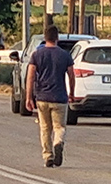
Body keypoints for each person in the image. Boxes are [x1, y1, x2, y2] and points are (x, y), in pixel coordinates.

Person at [24, 25, 75, 168]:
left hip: (42, 97)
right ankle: (58, 142)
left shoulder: (37, 55)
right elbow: (71, 75)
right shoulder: (65, 55)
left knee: (45, 128)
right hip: (60, 97)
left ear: (45, 38)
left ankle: (48, 156)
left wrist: (29, 97)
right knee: (60, 127)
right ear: (57, 38)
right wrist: (72, 92)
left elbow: (30, 76)